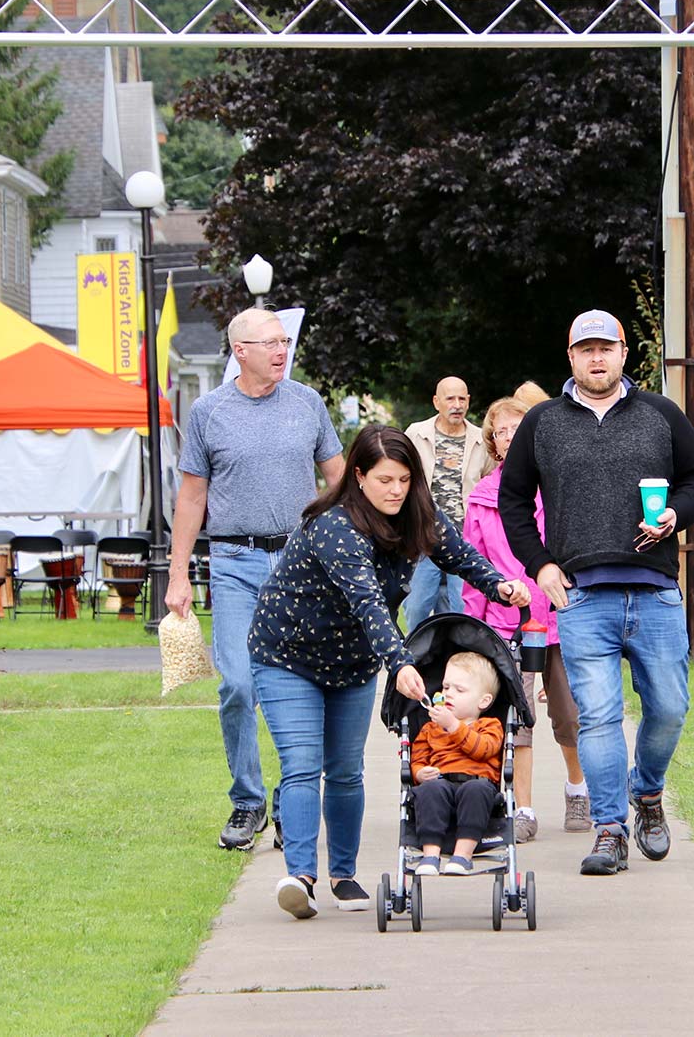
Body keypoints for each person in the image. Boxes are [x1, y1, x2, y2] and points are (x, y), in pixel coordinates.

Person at [249, 425, 529, 919]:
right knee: (301, 763)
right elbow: (369, 604)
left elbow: (460, 555)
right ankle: (301, 877)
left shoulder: (418, 516)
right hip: (288, 655)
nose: (396, 490)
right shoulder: (336, 526)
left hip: (352, 660)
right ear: (358, 477)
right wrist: (399, 661)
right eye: (384, 480)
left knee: (344, 769)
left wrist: (499, 586)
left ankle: (343, 874)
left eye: (403, 479)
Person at [498, 309, 694, 876]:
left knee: (669, 709)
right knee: (596, 718)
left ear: (624, 354)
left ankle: (646, 793)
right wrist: (540, 565)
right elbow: (514, 502)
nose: (596, 358)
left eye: (606, 348)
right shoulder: (542, 422)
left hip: (655, 592)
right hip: (582, 597)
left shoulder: (661, 415)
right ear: (569, 357)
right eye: (585, 349)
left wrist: (675, 513)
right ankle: (610, 830)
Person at [166, 307, 346, 853]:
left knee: (306, 687)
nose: (281, 350)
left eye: (284, 341)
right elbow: (192, 496)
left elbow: (338, 480)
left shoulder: (308, 403)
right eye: (269, 342)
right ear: (239, 350)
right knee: (239, 685)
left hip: (300, 564)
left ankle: (294, 803)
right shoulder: (208, 412)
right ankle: (248, 802)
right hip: (235, 563)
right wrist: (178, 576)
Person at [462, 392, 587, 842]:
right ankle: (524, 809)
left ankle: (577, 788)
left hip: (559, 616)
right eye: (502, 431)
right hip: (504, 623)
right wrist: (472, 629)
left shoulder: (556, 488)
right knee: (518, 720)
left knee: (569, 715)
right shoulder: (481, 498)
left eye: (520, 428)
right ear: (493, 443)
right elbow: (471, 565)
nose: (511, 437)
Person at [403, 376, 491, 631]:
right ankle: (415, 664)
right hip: (423, 537)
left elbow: (488, 483)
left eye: (462, 398)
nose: (457, 404)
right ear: (436, 402)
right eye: (450, 398)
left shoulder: (480, 439)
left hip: (464, 540)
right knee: (417, 607)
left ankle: (454, 664)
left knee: (462, 609)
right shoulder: (416, 434)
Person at [409, 651, 505, 876]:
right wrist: (420, 773)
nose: (449, 693)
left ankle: (463, 855)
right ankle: (430, 855)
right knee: (429, 789)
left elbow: (483, 749)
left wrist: (453, 726)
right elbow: (418, 760)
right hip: (441, 781)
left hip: (477, 783)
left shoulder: (490, 726)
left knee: (476, 789)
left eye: (459, 690)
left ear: (484, 700)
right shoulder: (430, 729)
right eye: (446, 687)